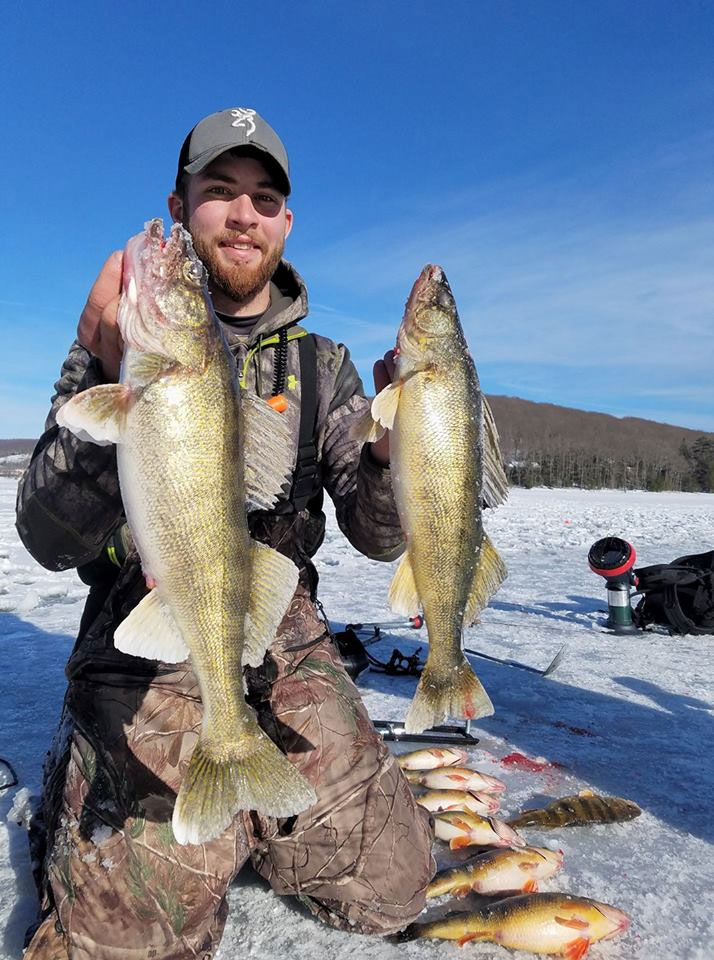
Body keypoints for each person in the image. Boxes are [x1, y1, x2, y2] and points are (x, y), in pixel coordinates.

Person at [16, 108, 435, 960]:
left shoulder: (323, 368)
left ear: (286, 222)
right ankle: (98, 784)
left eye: (264, 199)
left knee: (393, 886)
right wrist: (107, 373)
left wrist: (391, 454)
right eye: (220, 191)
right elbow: (46, 540)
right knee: (128, 943)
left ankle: (250, 805)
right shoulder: (115, 347)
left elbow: (378, 537)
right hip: (142, 635)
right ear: (181, 207)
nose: (244, 214)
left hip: (280, 631)